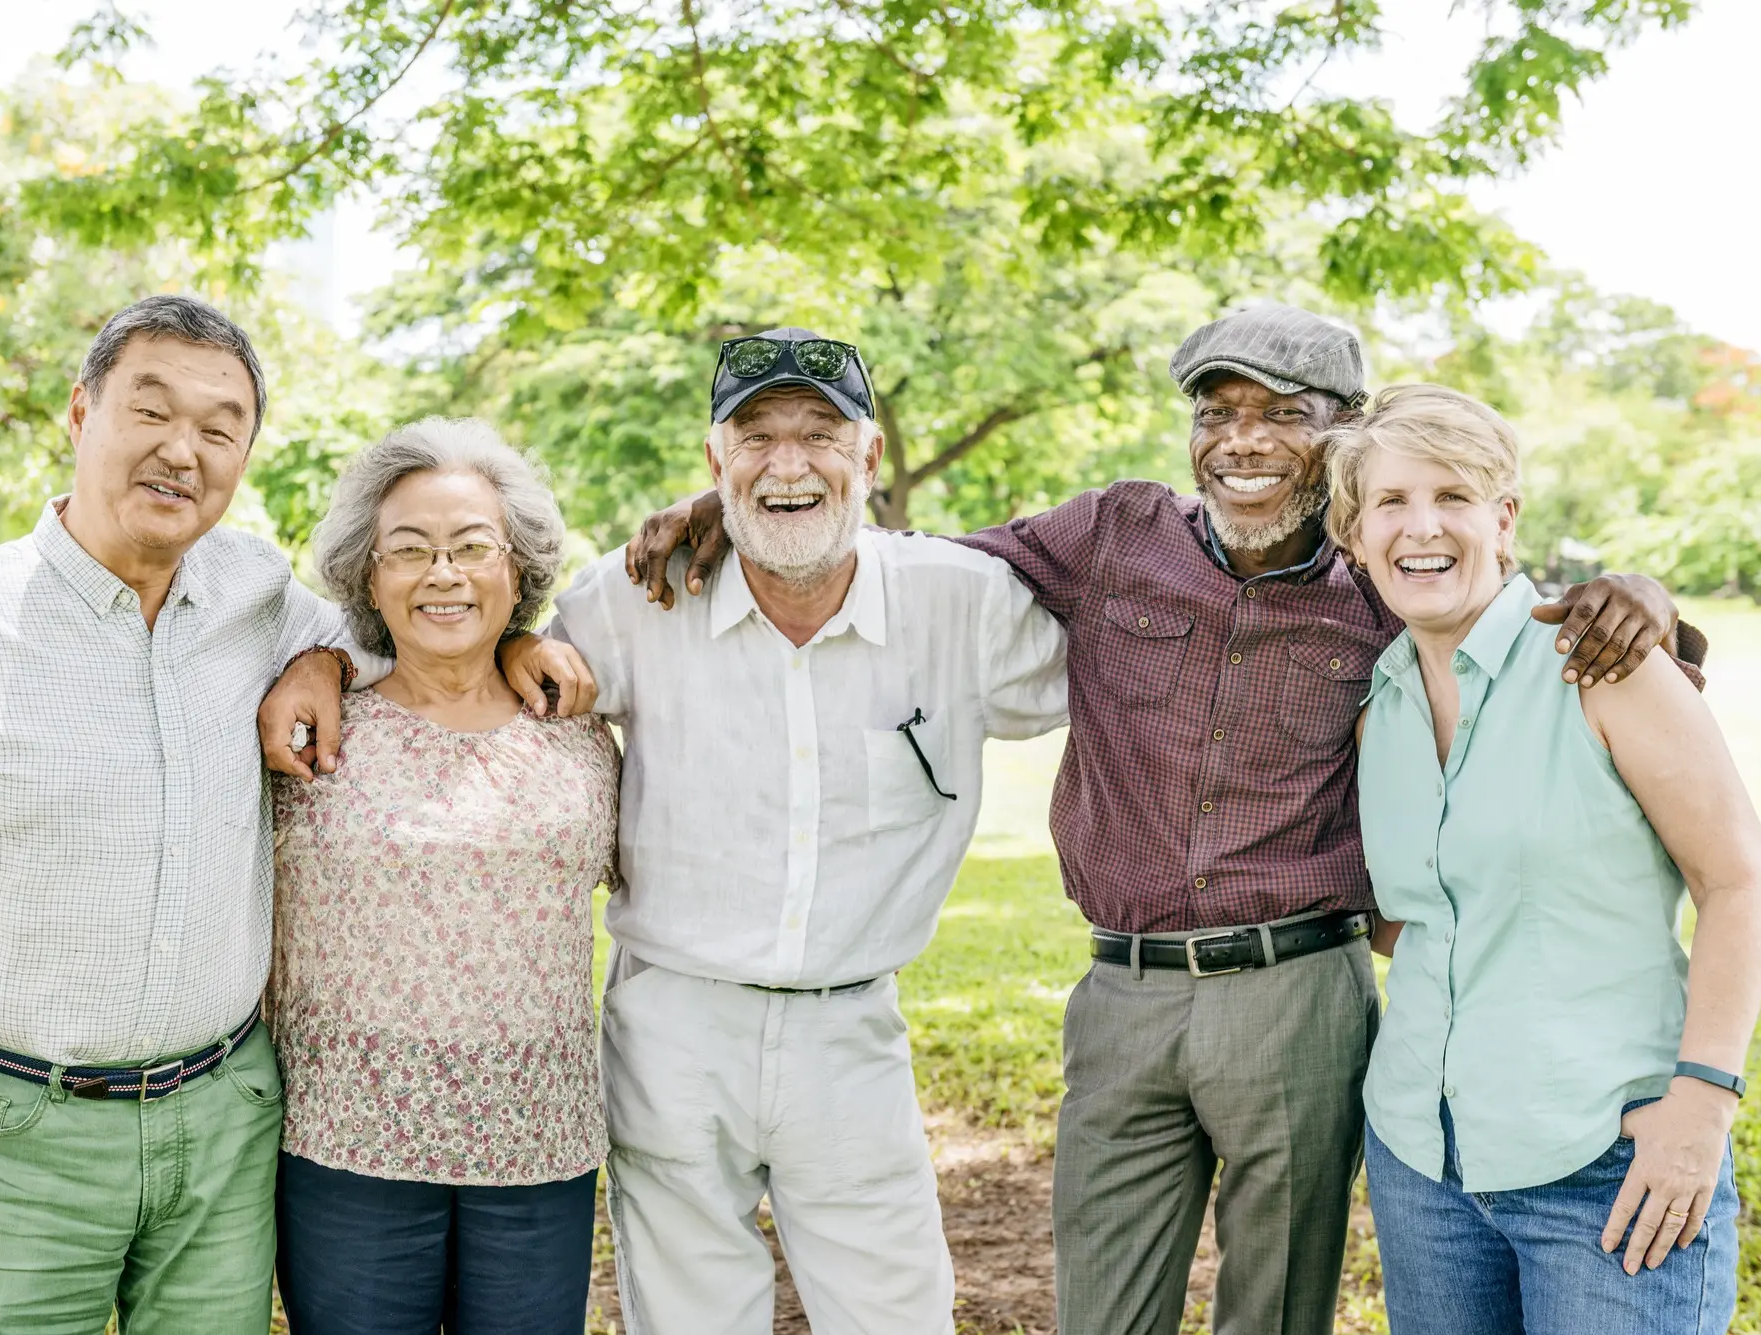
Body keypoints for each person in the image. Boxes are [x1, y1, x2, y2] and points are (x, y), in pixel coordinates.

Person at [619, 305, 1697, 1335]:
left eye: (1282, 413)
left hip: (1298, 993)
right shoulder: (1111, 532)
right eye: (1215, 413)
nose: (1241, 441)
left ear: (1345, 439)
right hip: (1121, 999)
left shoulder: (1379, 579)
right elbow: (905, 563)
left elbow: (1512, 595)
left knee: (1275, 1310)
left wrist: (1636, 589)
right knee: (1101, 1303)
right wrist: (735, 509)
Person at [261, 326, 1071, 1333]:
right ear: (713, 464)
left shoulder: (963, 605)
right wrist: (326, 660)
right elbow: (449, 633)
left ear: (868, 457)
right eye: (754, 438)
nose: (788, 463)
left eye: (819, 434)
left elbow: (1132, 642)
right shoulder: (638, 597)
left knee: (896, 1315)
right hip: (672, 1025)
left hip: (851, 1026)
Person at [0, 295, 581, 1334]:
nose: (185, 451)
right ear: (80, 414)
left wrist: (512, 645)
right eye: (152, 410)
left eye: (220, 429)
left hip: (222, 1125)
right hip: (16, 1130)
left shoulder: (254, 591)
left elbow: (404, 629)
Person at [1320, 385, 1761, 1335]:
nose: (1422, 527)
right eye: (1390, 503)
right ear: (1354, 537)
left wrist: (1701, 1105)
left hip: (1610, 1166)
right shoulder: (1378, 707)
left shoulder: (1603, 667)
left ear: (1506, 519)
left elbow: (1736, 881)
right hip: (1424, 1165)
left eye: (1453, 496)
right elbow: (1413, 918)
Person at [267, 418, 619, 1335]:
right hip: (347, 1143)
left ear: (518, 570)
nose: (443, 573)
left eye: (472, 548)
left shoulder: (577, 732)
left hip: (538, 1142)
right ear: (369, 577)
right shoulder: (311, 730)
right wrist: (320, 660)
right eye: (410, 551)